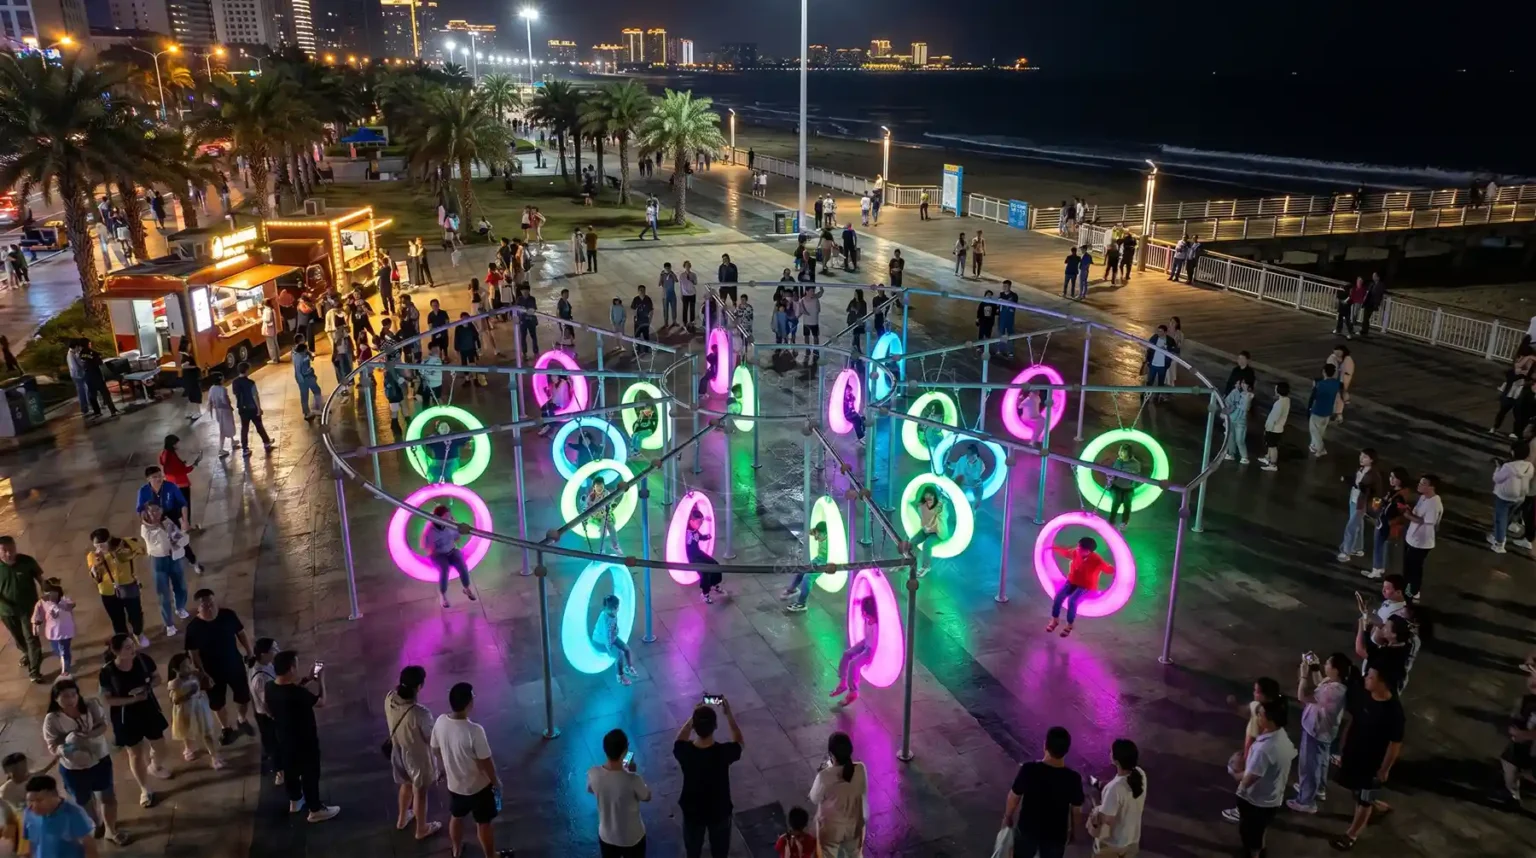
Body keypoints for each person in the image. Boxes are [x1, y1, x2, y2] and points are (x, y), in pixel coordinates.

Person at [1330, 667, 1404, 850]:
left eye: (1370, 676)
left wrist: (1384, 769)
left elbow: (1394, 744)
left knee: (1364, 798)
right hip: (1355, 754)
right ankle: (1378, 806)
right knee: (1357, 789)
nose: (1366, 678)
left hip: (1373, 764)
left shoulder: (1394, 712)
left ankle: (1351, 835)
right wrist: (1342, 748)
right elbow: (1353, 721)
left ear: (1382, 682)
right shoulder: (1365, 695)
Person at [41, 679, 124, 845]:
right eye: (65, 697)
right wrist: (65, 747)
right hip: (74, 767)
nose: (71, 700)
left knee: (107, 795)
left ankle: (111, 829)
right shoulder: (52, 719)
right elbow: (52, 744)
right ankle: (97, 822)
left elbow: (102, 725)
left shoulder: (91, 705)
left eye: (74, 695)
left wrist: (88, 735)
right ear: (56, 699)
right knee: (84, 799)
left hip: (99, 758)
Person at [98, 633, 173, 808]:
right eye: (128, 647)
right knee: (135, 753)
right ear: (116, 651)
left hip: (148, 709)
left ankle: (155, 765)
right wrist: (133, 699)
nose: (133, 649)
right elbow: (107, 699)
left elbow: (157, 678)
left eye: (133, 645)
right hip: (126, 716)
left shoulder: (143, 660)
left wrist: (147, 687)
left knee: (160, 745)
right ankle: (145, 789)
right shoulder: (108, 672)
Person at [432, 682, 505, 857]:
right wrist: (496, 782)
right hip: (478, 788)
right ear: (468, 703)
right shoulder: (474, 731)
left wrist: (444, 766)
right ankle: (490, 855)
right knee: (483, 823)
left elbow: (435, 748)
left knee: (456, 817)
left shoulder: (441, 721)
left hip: (455, 786)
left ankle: (456, 850)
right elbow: (486, 761)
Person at [267, 650, 340, 822]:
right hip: (304, 740)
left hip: (284, 738)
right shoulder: (295, 694)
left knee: (291, 770)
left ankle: (295, 800)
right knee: (310, 773)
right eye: (296, 666)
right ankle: (315, 809)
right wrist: (320, 680)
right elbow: (321, 701)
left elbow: (291, 692)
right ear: (290, 669)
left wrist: (307, 679)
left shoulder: (270, 687)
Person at [183, 589, 255, 744]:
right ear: (198, 609)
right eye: (205, 606)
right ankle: (226, 728)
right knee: (217, 702)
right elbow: (194, 654)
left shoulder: (228, 615)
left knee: (243, 696)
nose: (210, 607)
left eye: (211, 603)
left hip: (234, 665)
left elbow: (241, 633)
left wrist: (250, 652)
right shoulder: (193, 628)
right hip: (212, 672)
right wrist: (202, 673)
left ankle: (242, 720)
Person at [674, 700, 744, 858]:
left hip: (692, 810)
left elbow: (679, 740)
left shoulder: (685, 752)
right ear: (715, 727)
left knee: (692, 850)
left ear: (695, 728)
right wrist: (729, 715)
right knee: (720, 852)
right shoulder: (723, 752)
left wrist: (693, 717)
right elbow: (739, 742)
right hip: (719, 809)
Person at [1002, 725, 1084, 858]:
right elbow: (1076, 811)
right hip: (1056, 835)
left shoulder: (1029, 769)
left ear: (1045, 745)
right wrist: (1074, 832)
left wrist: (1008, 816)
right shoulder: (1073, 778)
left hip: (1028, 829)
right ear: (1067, 750)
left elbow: (1014, 796)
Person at [1230, 698, 1295, 858]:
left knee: (1250, 834)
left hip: (1256, 801)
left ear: (1271, 720)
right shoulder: (1281, 737)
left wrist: (1232, 770)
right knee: (1260, 831)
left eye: (1260, 714)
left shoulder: (1264, 750)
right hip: (1271, 797)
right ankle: (1260, 850)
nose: (1257, 716)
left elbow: (1247, 780)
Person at [385, 666, 441, 840]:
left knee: (405, 785)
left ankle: (402, 819)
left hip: (398, 753)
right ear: (418, 687)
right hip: (417, 760)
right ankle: (421, 829)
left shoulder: (389, 698)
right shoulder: (420, 713)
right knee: (420, 793)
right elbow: (431, 739)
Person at [1289, 652, 1350, 814]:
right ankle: (1318, 790)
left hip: (1316, 731)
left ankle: (1306, 801)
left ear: (1336, 670)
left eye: (1328, 664)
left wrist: (1303, 675)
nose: (1325, 666)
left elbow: (1303, 696)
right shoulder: (1335, 684)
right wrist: (1314, 668)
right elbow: (1319, 685)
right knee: (1321, 762)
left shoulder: (1334, 691)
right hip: (1324, 732)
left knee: (1309, 766)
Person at [588, 728, 651, 858]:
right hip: (632, 838)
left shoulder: (593, 773)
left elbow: (590, 789)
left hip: (607, 836)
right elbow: (647, 796)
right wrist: (632, 771)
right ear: (625, 750)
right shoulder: (633, 779)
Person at [808, 731, 866, 858]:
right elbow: (861, 790)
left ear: (831, 755)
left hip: (831, 828)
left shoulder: (824, 776)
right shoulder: (860, 769)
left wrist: (824, 771)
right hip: (854, 825)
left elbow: (814, 798)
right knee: (855, 855)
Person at [1044, 537, 1115, 638]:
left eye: (1080, 548)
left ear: (1088, 551)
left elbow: (1107, 569)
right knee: (1058, 597)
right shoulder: (1076, 552)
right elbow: (1066, 553)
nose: (1077, 549)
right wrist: (1052, 548)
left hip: (1085, 585)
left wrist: (1117, 569)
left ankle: (1069, 625)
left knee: (1072, 601)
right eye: (1078, 547)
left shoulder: (1097, 560)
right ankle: (1055, 620)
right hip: (1072, 581)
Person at [88, 529, 148, 647]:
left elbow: (141, 550)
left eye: (101, 545)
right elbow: (96, 577)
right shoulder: (92, 556)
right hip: (108, 591)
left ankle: (138, 633)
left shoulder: (125, 543)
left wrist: (122, 552)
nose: (99, 548)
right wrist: (96, 568)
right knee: (117, 619)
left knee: (136, 614)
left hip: (128, 585)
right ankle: (124, 641)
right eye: (96, 546)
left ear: (109, 540)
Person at [1086, 739, 1146, 858]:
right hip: (1132, 840)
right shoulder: (1140, 774)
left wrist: (1095, 804)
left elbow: (1107, 819)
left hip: (1113, 845)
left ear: (1116, 761)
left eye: (1111, 752)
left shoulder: (1115, 789)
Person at [165, 652, 226, 768]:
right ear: (176, 670)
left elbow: (205, 685)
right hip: (185, 711)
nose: (188, 669)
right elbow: (175, 700)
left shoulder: (195, 675)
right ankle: (188, 748)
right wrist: (188, 694)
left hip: (199, 707)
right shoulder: (175, 683)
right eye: (184, 667)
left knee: (207, 731)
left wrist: (207, 681)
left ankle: (214, 756)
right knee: (186, 731)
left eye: (189, 665)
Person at [139, 504, 190, 637]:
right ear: (146, 514)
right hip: (159, 561)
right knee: (163, 593)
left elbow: (178, 536)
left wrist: (181, 537)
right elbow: (159, 545)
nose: (155, 514)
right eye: (152, 512)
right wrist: (167, 535)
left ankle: (180, 607)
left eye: (157, 510)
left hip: (174, 558)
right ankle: (169, 624)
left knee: (181, 586)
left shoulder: (167, 521)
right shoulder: (145, 529)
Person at [0, 536, 44, 682]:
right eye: (4, 550)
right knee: (18, 636)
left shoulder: (26, 561)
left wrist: (47, 591)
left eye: (11, 549)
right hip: (6, 612)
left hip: (29, 608)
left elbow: (40, 578)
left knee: (32, 638)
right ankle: (26, 652)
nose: (8, 553)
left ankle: (34, 670)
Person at [20, 775, 98, 858]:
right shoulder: (28, 813)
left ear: (54, 795)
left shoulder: (74, 814)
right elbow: (27, 844)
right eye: (30, 801)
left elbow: (90, 847)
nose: (34, 806)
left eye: (39, 800)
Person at [827, 596, 878, 707]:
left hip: (871, 649)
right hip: (866, 642)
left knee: (854, 664)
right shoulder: (867, 620)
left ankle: (853, 691)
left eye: (864, 612)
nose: (863, 614)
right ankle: (842, 682)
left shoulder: (877, 626)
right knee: (847, 654)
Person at [1336, 449, 1385, 564]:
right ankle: (1358, 548)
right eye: (1361, 456)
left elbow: (1378, 494)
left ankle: (1346, 552)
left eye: (1365, 457)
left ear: (1372, 460)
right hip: (1354, 500)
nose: (1361, 459)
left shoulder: (1374, 475)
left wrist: (1375, 508)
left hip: (1362, 504)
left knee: (1351, 527)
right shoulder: (1361, 469)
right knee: (1358, 525)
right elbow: (1357, 483)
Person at [424, 506, 476, 608]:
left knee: (462, 565)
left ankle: (466, 588)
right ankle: (443, 595)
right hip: (438, 554)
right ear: (438, 518)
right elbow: (428, 546)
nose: (449, 518)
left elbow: (457, 537)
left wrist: (458, 531)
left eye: (449, 516)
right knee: (444, 569)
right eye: (446, 516)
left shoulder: (451, 524)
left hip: (452, 550)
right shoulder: (430, 531)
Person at [246, 637, 281, 784]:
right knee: (275, 745)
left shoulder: (266, 665)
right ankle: (280, 772)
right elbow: (266, 702)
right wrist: (275, 716)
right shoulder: (260, 677)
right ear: (263, 654)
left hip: (268, 714)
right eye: (274, 649)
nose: (277, 651)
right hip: (267, 717)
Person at [1400, 474, 1441, 601]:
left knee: (1414, 568)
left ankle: (1413, 592)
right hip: (1412, 538)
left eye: (1423, 483)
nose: (1419, 485)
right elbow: (1417, 513)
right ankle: (1406, 589)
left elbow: (1424, 521)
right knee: (1407, 566)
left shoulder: (1434, 503)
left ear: (1431, 487)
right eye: (1420, 482)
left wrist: (1407, 515)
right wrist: (1409, 510)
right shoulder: (1423, 497)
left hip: (1421, 542)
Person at [1489, 441, 1535, 554]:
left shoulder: (1508, 467)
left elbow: (1497, 479)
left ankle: (1499, 543)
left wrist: (1498, 468)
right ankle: (1498, 536)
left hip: (1504, 496)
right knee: (1508, 517)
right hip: (1520, 497)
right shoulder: (1529, 467)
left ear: (1513, 452)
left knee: (1500, 519)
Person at [1498, 669, 1536, 803]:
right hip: (1518, 751)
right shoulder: (1526, 700)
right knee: (1510, 770)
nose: (1532, 680)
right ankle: (1513, 792)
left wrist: (1522, 734)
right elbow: (1514, 721)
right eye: (1531, 675)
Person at [29, 579, 74, 678]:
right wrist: (35, 625)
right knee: (57, 650)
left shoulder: (64, 600)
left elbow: (71, 605)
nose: (48, 595)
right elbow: (37, 615)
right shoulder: (42, 603)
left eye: (51, 592)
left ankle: (65, 670)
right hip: (52, 633)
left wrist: (59, 605)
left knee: (64, 651)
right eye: (46, 593)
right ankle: (64, 661)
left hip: (66, 631)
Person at [594, 594, 638, 686]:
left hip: (611, 638)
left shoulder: (612, 613)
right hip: (601, 642)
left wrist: (616, 630)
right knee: (619, 654)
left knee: (626, 648)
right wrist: (610, 649)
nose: (619, 608)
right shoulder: (606, 619)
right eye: (618, 607)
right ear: (613, 608)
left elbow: (613, 629)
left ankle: (629, 667)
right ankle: (620, 676)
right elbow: (607, 636)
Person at [230, 362, 274, 455]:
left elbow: (235, 393)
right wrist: (259, 408)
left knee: (244, 428)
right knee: (259, 426)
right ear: (246, 371)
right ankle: (266, 443)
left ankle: (245, 448)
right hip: (252, 407)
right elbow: (255, 396)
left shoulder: (234, 382)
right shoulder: (250, 383)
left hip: (242, 408)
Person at [158, 435, 199, 532]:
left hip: (172, 483)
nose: (178, 445)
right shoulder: (171, 456)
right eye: (176, 443)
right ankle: (186, 526)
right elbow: (181, 470)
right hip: (181, 483)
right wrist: (194, 465)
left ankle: (182, 526)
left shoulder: (164, 454)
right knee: (185, 505)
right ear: (172, 444)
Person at [686, 507, 724, 603]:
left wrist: (706, 536)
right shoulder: (685, 533)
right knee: (704, 572)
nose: (700, 525)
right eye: (698, 523)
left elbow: (699, 537)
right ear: (691, 521)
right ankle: (705, 594)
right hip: (692, 558)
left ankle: (715, 583)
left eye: (701, 523)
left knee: (715, 565)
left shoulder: (695, 530)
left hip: (698, 553)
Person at [1307, 364, 1342, 457]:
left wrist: (1309, 408)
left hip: (1317, 410)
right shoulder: (1336, 383)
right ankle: (1314, 446)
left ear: (1323, 372)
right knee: (1321, 431)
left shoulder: (1320, 385)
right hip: (1328, 411)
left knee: (1314, 431)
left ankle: (1320, 449)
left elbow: (1313, 397)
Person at [1104, 444, 1140, 529]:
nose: (1120, 453)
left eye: (1123, 451)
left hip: (1128, 488)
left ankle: (1124, 522)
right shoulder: (1118, 461)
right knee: (1116, 503)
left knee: (1127, 506)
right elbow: (1113, 474)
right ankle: (1111, 522)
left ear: (1128, 452)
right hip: (1117, 486)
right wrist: (1109, 481)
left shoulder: (1136, 464)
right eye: (1120, 451)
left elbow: (1137, 476)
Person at [910, 486, 944, 577]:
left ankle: (926, 567)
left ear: (934, 497)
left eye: (931, 498)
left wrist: (929, 527)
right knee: (911, 542)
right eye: (927, 498)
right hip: (926, 531)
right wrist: (925, 527)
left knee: (927, 545)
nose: (929, 500)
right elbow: (923, 520)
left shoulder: (939, 506)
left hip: (937, 533)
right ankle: (911, 562)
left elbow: (940, 518)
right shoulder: (922, 506)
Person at [1258, 381, 1290, 472]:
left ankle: (1273, 464)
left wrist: (1268, 427)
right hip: (1278, 428)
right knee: (1270, 444)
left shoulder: (1279, 403)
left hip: (1273, 429)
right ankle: (1268, 458)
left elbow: (1274, 418)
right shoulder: (1286, 400)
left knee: (1272, 446)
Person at [292, 342, 323, 420]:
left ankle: (314, 409)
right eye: (306, 349)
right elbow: (298, 371)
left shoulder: (300, 355)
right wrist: (301, 381)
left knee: (314, 391)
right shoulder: (298, 358)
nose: (307, 350)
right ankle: (309, 412)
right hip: (305, 378)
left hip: (308, 376)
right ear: (302, 350)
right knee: (306, 395)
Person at [1225, 378, 1253, 464]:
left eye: (1245, 383)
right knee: (1230, 437)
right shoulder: (1236, 392)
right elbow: (1227, 402)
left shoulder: (1249, 395)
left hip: (1241, 420)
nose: (1243, 385)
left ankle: (1244, 457)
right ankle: (1231, 454)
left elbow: (1245, 407)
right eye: (1242, 383)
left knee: (1239, 439)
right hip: (1232, 418)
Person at [1327, 345, 1356, 423]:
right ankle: (1333, 413)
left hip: (1341, 382)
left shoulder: (1348, 360)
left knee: (1339, 398)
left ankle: (1338, 415)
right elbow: (1329, 367)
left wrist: (1343, 382)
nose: (1337, 355)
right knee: (1334, 397)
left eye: (1339, 353)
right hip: (1333, 380)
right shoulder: (1332, 357)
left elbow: (1348, 372)